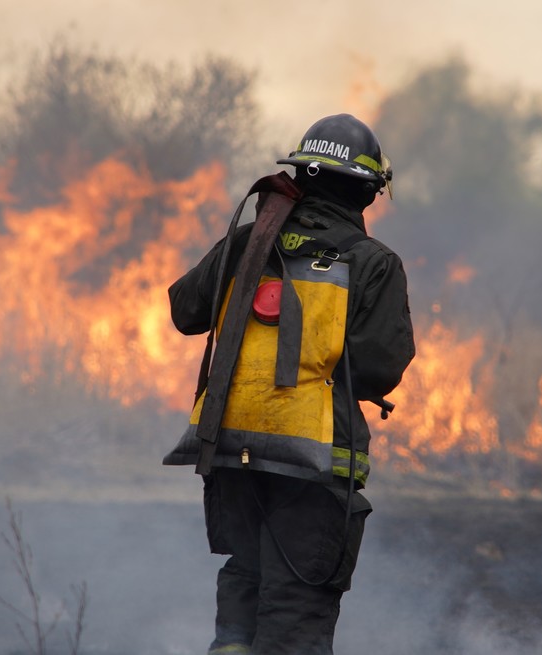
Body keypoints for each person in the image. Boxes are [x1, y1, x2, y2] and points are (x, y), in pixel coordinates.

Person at [163, 114, 415, 655]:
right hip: (313, 458)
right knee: (296, 610)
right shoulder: (372, 262)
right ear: (368, 191)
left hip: (232, 450)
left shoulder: (250, 241)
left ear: (300, 174)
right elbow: (378, 369)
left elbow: (185, 310)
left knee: (244, 587)